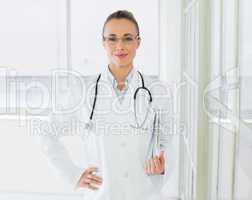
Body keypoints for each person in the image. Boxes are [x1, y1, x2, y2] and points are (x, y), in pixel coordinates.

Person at [40, 10, 172, 200]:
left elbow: (169, 143)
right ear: (103, 43)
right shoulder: (83, 92)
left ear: (138, 42)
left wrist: (164, 166)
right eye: (112, 39)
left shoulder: (157, 92)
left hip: (144, 193)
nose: (120, 46)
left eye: (127, 38)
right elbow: (46, 131)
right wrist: (71, 174)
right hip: (101, 194)